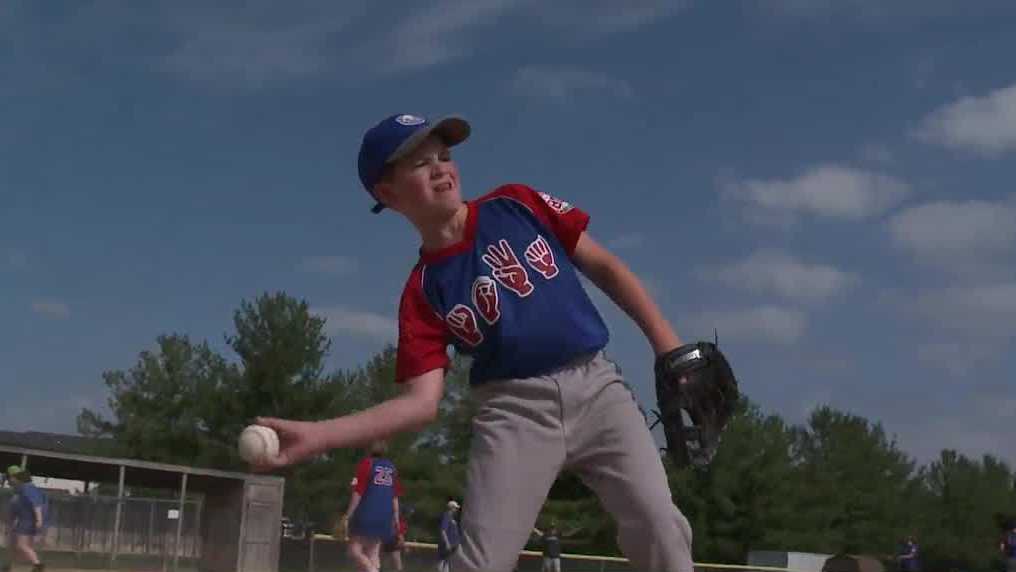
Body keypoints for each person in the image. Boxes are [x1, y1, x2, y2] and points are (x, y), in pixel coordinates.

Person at [252, 113, 695, 572]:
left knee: (660, 525)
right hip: (514, 411)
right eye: (421, 164)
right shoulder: (423, 290)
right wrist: (320, 435)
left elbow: (606, 267)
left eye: (444, 156)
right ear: (388, 194)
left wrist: (669, 347)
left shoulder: (516, 204)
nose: (441, 167)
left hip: (598, 387)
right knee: (480, 563)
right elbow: (420, 404)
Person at [340, 441, 401, 572]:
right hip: (385, 517)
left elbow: (358, 493)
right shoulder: (391, 468)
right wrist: (396, 521)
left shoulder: (367, 464)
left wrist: (347, 515)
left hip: (367, 514)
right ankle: (373, 569)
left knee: (353, 550)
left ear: (368, 449)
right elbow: (395, 497)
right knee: (372, 554)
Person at [2, 466, 46, 572]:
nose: (9, 481)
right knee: (13, 545)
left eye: (10, 478)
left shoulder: (28, 488)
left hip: (27, 521)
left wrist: (39, 520)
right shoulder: (19, 490)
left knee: (22, 545)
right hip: (21, 521)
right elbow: (16, 507)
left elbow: (36, 504)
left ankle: (38, 565)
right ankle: (7, 566)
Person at [437, 500, 461, 572]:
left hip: (452, 545)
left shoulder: (452, 518)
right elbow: (443, 530)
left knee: (447, 562)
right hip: (446, 545)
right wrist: (447, 543)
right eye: (455, 508)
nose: (456, 510)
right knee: (442, 562)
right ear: (451, 508)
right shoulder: (446, 516)